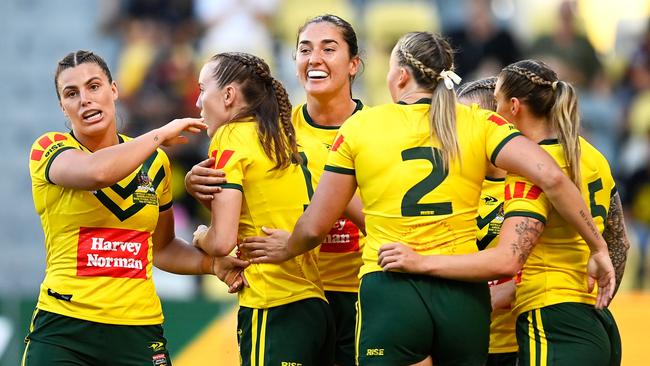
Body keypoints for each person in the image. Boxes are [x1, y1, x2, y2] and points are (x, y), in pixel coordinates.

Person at [240, 33, 616, 366]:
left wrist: (286, 248)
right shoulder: (479, 123)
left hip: (393, 287)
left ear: (401, 75)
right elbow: (551, 174)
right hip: (463, 298)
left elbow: (315, 226)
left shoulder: (363, 126)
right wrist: (597, 247)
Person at [378, 60, 629, 365]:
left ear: (510, 109)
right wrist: (597, 297)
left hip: (547, 324)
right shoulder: (589, 156)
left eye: (473, 118)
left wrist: (422, 266)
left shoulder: (529, 173)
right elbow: (617, 239)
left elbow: (508, 261)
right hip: (590, 323)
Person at [24, 50, 248, 366]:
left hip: (138, 330)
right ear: (63, 106)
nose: (85, 99)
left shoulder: (155, 164)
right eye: (71, 94)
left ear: (113, 90)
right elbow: (95, 173)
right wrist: (158, 135)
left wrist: (212, 265)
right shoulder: (49, 149)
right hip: (64, 330)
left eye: (94, 86)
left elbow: (164, 247)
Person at [187, 14, 366, 366]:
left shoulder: (377, 128)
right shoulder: (282, 129)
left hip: (357, 296)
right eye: (304, 49)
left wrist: (299, 238)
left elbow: (377, 215)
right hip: (313, 292)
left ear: (354, 64)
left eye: (328, 48)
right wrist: (197, 184)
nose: (314, 58)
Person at [457, 77, 518, 366]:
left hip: (512, 346)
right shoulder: (449, 184)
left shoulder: (528, 187)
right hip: (457, 343)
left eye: (464, 122)